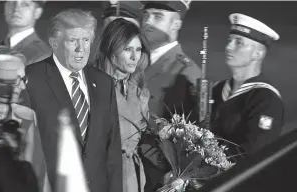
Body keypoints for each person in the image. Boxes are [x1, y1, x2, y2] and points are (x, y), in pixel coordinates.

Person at [22, 9, 122, 192]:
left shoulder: (104, 83)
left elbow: (112, 152)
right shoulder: (31, 79)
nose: (80, 49)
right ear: (54, 43)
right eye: (72, 41)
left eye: (85, 40)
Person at [139, 1, 202, 191]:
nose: (148, 21)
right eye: (146, 14)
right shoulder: (134, 62)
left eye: (158, 16)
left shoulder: (187, 72)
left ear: (176, 24)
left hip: (155, 177)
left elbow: (193, 140)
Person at [211, 13, 284, 162]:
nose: (229, 47)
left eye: (239, 42)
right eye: (229, 40)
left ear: (258, 53)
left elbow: (252, 155)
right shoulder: (217, 89)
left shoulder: (266, 99)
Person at [94, 18, 150, 192]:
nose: (135, 57)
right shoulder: (90, 85)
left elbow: (144, 142)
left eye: (139, 50)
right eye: (128, 50)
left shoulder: (140, 92)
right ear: (111, 50)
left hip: (132, 177)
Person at [0, 47, 50, 192]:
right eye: (15, 79)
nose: (23, 86)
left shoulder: (29, 120)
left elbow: (37, 178)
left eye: (23, 79)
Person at [0, 0, 52, 65]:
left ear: (37, 12)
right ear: (5, 7)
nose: (16, 9)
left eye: (25, 4)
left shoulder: (43, 56)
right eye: (12, 2)